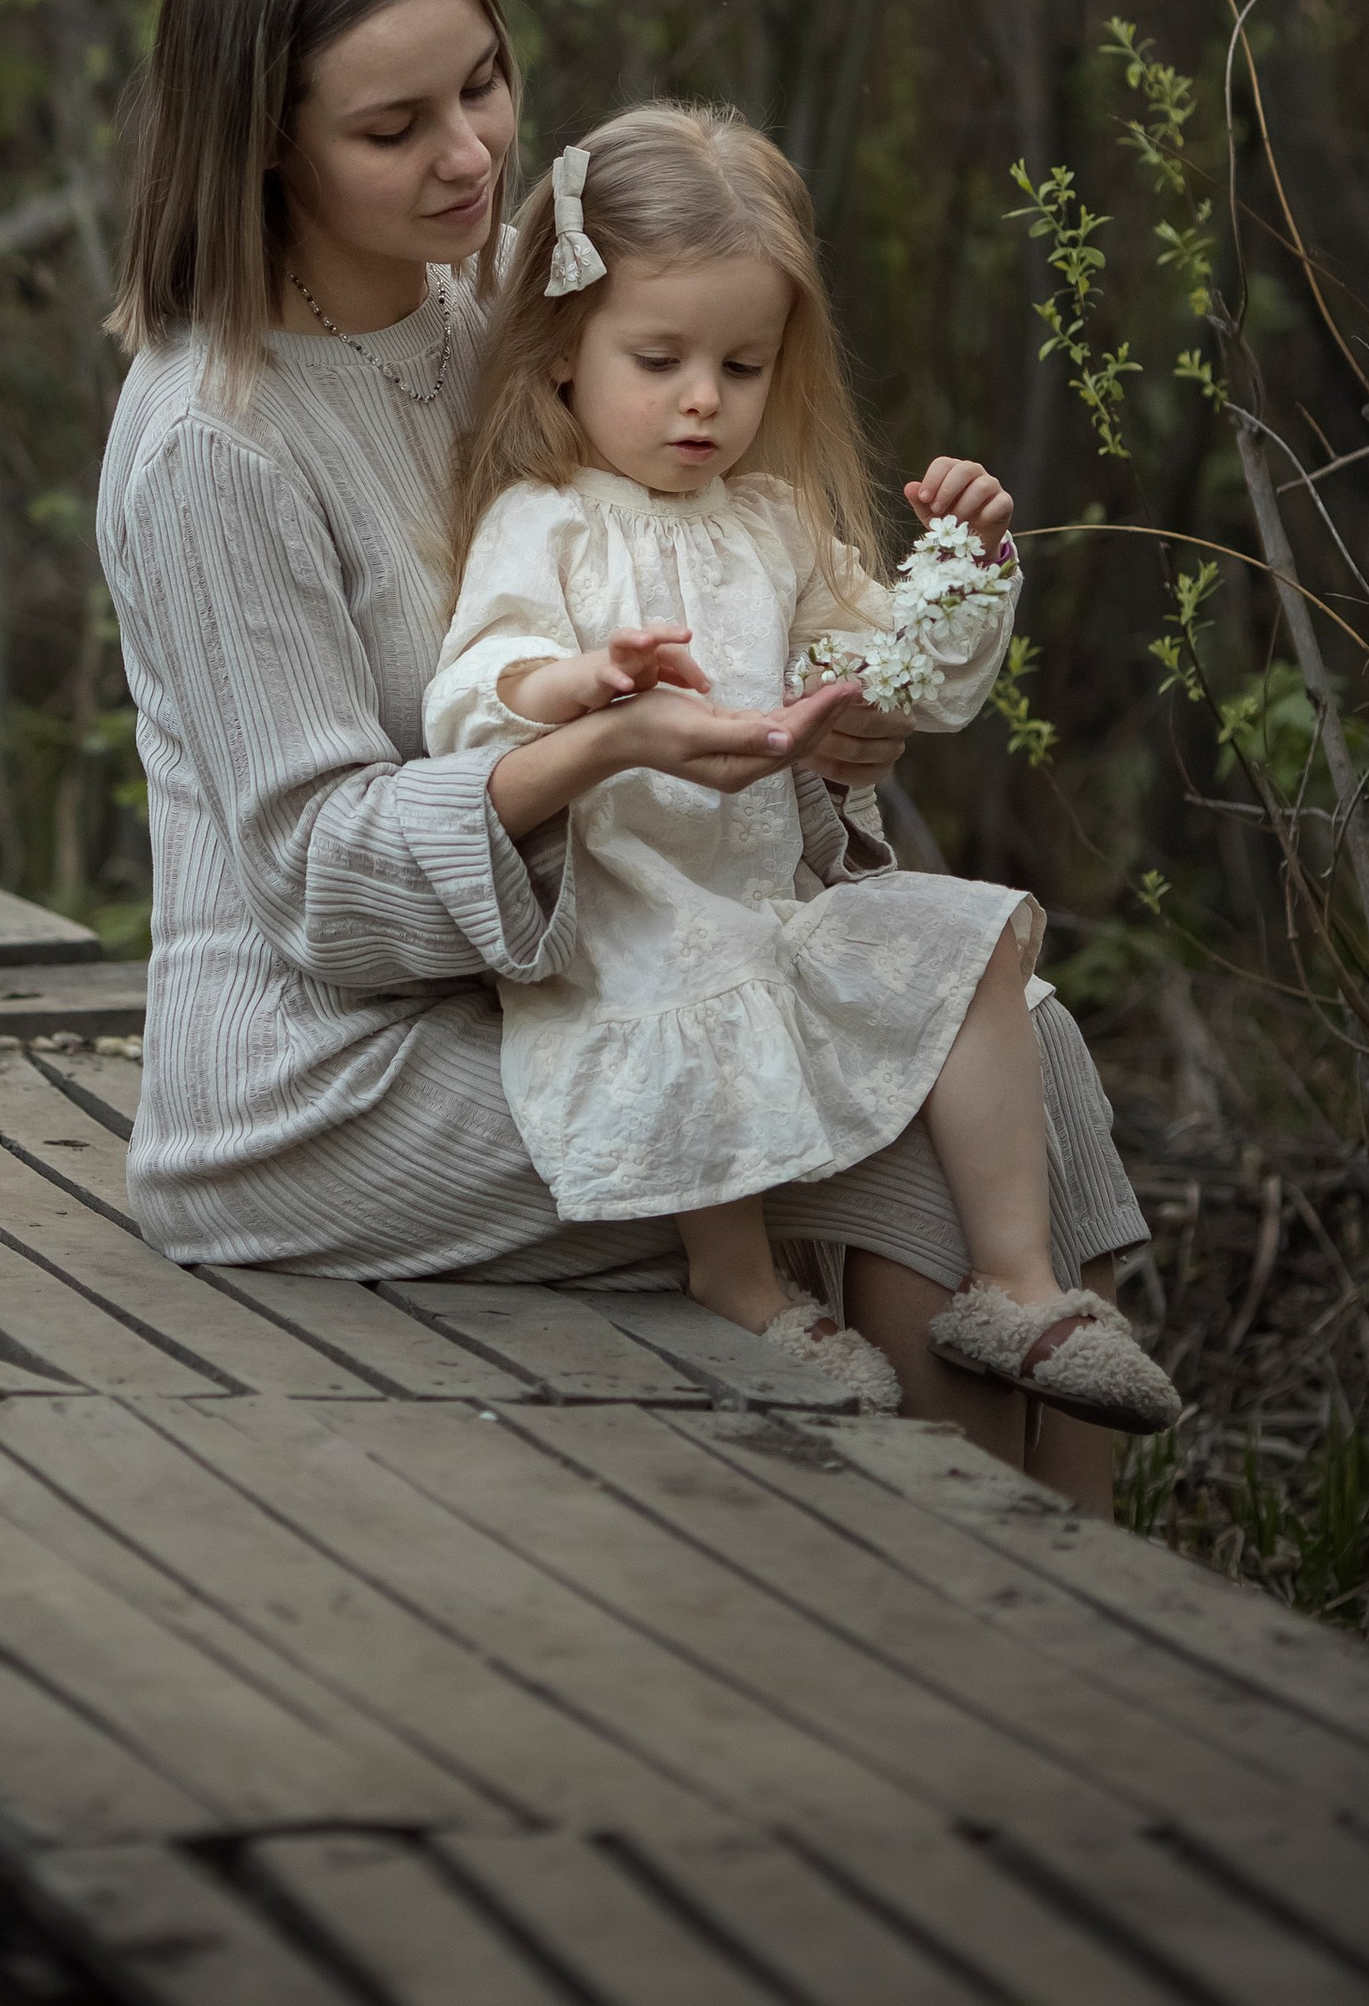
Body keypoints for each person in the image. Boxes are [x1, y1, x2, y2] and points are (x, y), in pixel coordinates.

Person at [96, 0, 1153, 1511]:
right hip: (327, 1084)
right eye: (393, 130)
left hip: (589, 970)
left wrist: (819, 735)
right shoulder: (210, 448)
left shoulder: (506, 297)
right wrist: (597, 753)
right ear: (262, 145)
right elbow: (318, 890)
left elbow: (702, 568)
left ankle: (1093, 1625)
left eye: (485, 84)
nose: (469, 155)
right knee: (894, 1145)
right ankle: (971, 1620)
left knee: (1020, 1035)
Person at [421, 102, 1182, 1434]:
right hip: (633, 908)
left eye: (744, 364)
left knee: (975, 941)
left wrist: (967, 564)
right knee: (701, 981)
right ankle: (738, 1277)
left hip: (778, 895)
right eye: (658, 358)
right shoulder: (547, 524)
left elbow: (916, 683)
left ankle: (1013, 1280)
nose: (704, 398)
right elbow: (477, 693)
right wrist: (586, 688)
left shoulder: (775, 525)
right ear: (560, 351)